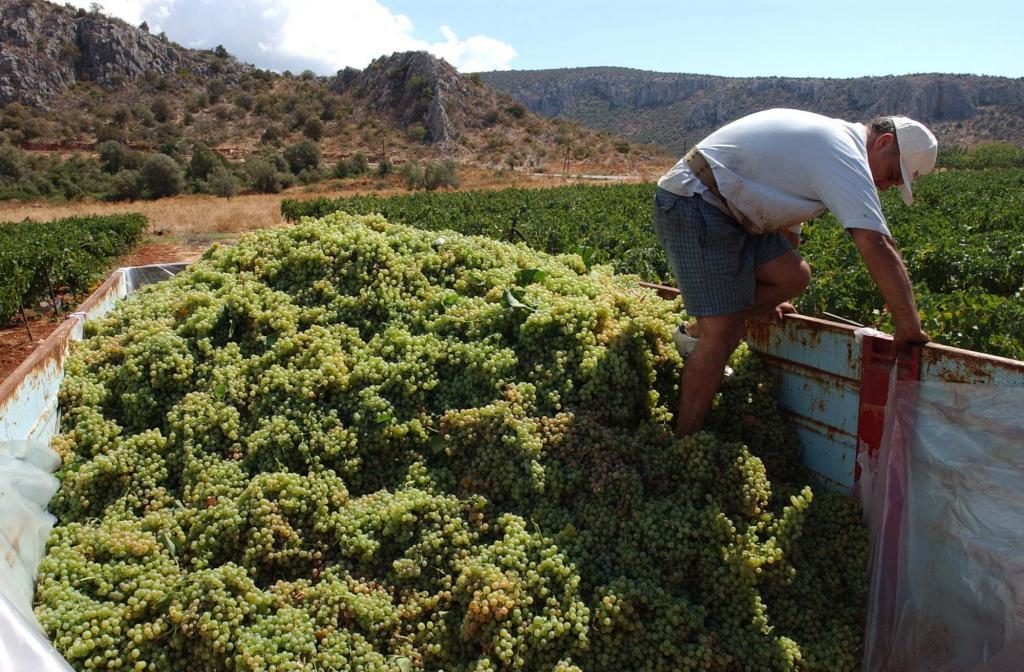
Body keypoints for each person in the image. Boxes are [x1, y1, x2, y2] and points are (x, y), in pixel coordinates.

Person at [652, 108, 937, 436]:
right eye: (892, 174)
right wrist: (908, 325)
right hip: (696, 200)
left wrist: (773, 291)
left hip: (735, 212)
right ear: (883, 142)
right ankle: (683, 438)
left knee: (794, 276)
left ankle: (700, 330)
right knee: (725, 332)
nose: (886, 186)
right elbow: (875, 244)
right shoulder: (842, 151)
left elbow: (786, 230)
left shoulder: (832, 146)